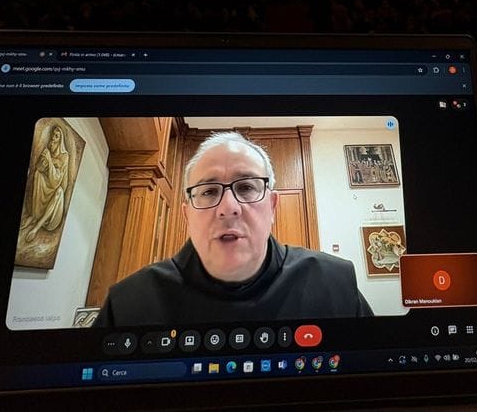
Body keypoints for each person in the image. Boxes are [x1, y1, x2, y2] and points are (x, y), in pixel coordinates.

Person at [94, 132, 373, 326]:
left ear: (273, 206)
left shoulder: (335, 285)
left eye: (247, 187)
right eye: (208, 191)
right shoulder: (128, 304)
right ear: (187, 214)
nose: (228, 207)